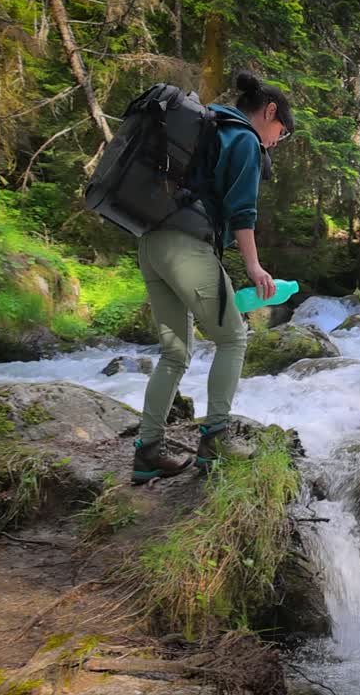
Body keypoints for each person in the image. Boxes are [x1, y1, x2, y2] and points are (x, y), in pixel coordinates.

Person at [131, 71, 294, 484]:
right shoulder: (243, 139)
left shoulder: (211, 127)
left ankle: (148, 451)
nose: (277, 140)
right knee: (233, 338)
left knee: (174, 353)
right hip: (186, 245)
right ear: (269, 112)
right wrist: (254, 267)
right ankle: (215, 437)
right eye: (281, 132)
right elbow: (242, 211)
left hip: (151, 243)